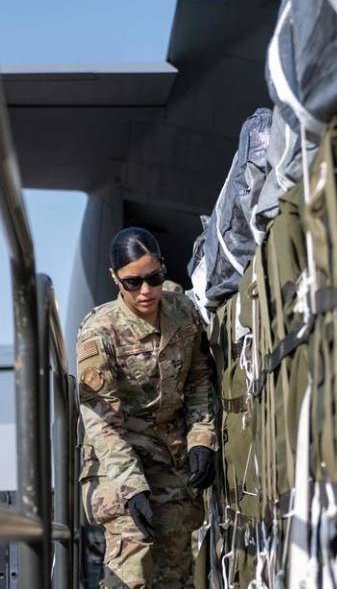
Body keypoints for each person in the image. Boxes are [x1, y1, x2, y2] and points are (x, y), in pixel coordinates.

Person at [77, 227, 217, 588]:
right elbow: (101, 421)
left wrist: (202, 438)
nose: (145, 291)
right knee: (133, 563)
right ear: (115, 279)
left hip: (169, 455)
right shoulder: (100, 332)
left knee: (175, 567)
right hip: (117, 460)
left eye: (154, 278)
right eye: (132, 282)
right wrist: (132, 485)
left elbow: (200, 379)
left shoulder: (182, 313)